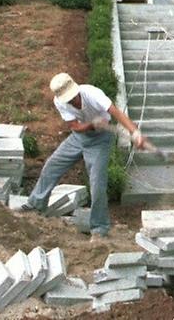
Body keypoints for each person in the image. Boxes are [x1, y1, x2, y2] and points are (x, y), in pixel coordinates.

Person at [22, 73, 149, 241]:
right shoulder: (59, 101)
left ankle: (99, 228)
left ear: (76, 90)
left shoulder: (92, 94)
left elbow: (116, 113)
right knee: (51, 167)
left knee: (97, 184)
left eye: (74, 97)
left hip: (100, 140)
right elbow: (75, 126)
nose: (72, 101)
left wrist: (135, 132)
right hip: (79, 137)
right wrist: (91, 124)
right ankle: (35, 205)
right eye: (69, 99)